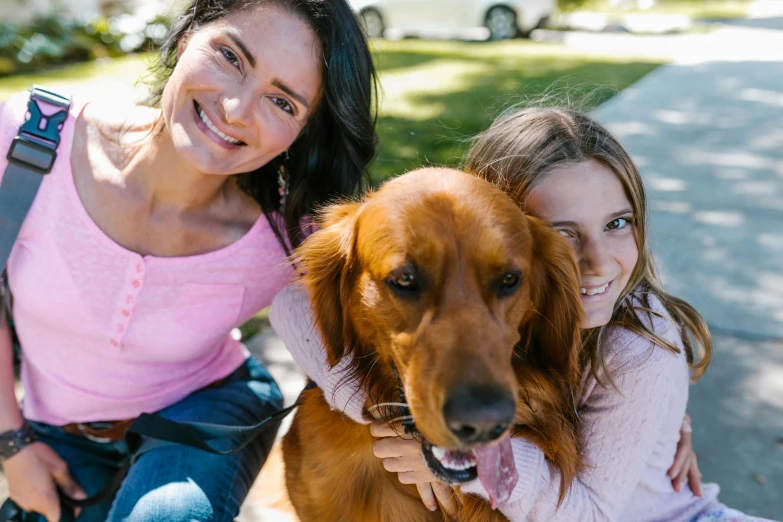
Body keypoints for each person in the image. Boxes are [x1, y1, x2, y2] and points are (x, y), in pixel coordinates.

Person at [269, 107, 776, 521]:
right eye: (407, 281)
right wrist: (373, 405)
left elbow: (590, 511)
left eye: (618, 223)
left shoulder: (639, 349)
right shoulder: (351, 276)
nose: (596, 263)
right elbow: (293, 304)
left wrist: (470, 462)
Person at [0, 1, 376, 521]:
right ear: (185, 37)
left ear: (303, 132)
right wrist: (12, 447)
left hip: (209, 411)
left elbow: (380, 341)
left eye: (283, 102)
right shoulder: (28, 141)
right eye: (230, 57)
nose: (237, 108)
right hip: (51, 431)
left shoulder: (288, 235)